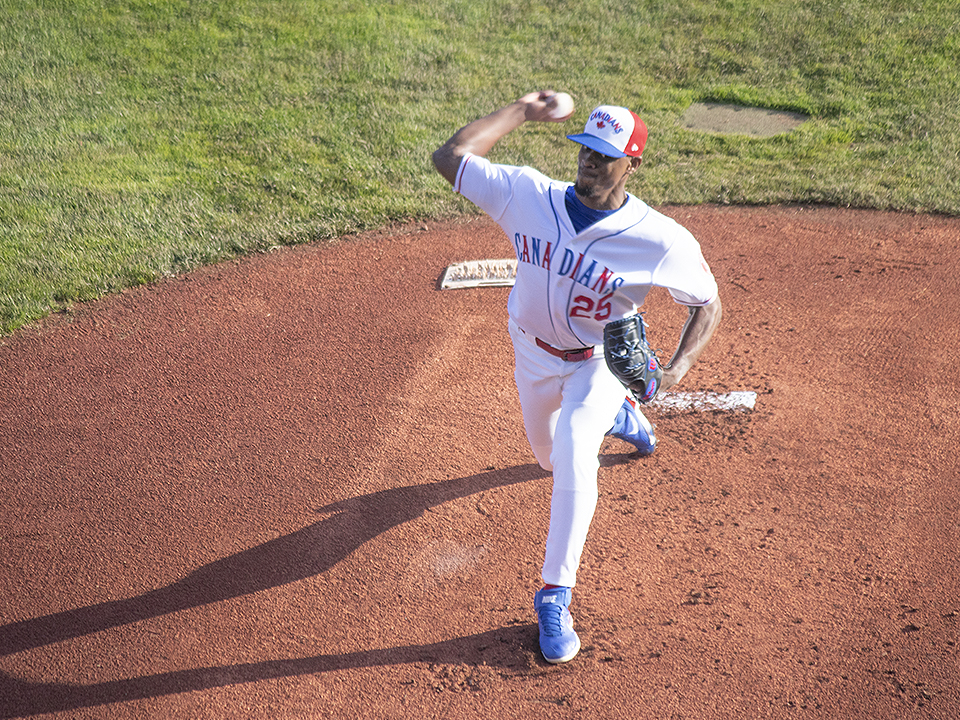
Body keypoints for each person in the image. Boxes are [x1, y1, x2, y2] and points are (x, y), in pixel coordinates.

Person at [432, 91, 722, 664]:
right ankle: (621, 420)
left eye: (604, 155)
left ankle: (554, 594)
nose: (590, 161)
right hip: (532, 355)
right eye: (585, 149)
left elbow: (707, 303)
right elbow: (450, 157)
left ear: (631, 165)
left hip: (596, 364)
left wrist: (673, 369)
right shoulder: (528, 195)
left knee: (571, 454)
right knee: (544, 455)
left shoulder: (661, 238)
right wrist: (520, 111)